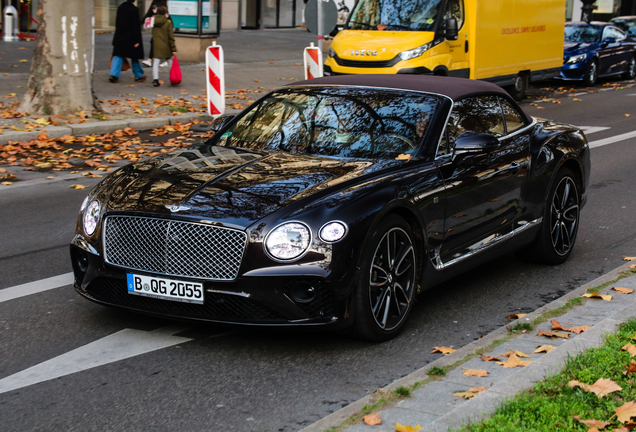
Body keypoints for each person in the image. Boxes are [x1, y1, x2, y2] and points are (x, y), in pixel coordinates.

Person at [110, 0, 146, 83]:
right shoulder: (134, 10)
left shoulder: (120, 8)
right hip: (131, 37)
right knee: (134, 56)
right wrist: (137, 40)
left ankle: (114, 75)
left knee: (118, 55)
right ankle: (138, 75)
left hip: (120, 35)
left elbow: (117, 23)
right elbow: (135, 26)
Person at [151, 6, 176, 87]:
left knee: (156, 62)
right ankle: (173, 78)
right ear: (165, 13)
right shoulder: (168, 22)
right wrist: (173, 48)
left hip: (156, 45)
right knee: (169, 61)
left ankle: (155, 79)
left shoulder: (153, 21)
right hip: (166, 45)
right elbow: (171, 36)